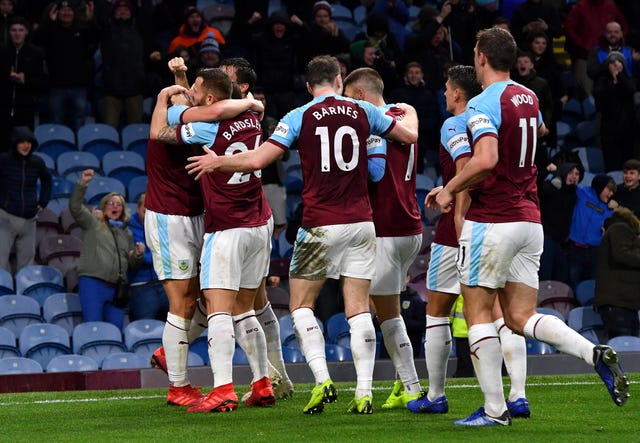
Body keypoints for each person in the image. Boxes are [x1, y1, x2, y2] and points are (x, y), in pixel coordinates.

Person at [186, 55, 418, 415]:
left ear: (309, 87)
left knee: (300, 305)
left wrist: (217, 162)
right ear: (340, 81)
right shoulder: (364, 111)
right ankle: (364, 392)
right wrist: (401, 113)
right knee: (358, 310)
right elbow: (407, 136)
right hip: (362, 222)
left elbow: (257, 160)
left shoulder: (298, 116)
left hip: (319, 224)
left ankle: (323, 380)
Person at [427, 27, 629, 426]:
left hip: (494, 220)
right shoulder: (529, 96)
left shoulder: (482, 102)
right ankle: (593, 353)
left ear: (482, 57)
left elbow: (484, 159)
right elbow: (536, 132)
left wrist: (449, 188)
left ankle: (494, 410)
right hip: (529, 219)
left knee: (480, 313)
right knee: (520, 317)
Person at [150, 68, 275, 413]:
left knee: (216, 308)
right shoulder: (252, 114)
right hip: (257, 220)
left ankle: (221, 388)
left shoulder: (206, 124)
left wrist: (165, 99)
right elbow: (229, 106)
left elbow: (161, 130)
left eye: (192, 90)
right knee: (242, 307)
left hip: (225, 225)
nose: (186, 94)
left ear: (208, 99)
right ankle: (261, 382)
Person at [412, 64, 530, 419]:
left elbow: (466, 167)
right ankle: (519, 395)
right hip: (504, 220)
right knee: (501, 312)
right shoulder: (493, 117)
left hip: (461, 230)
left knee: (437, 311)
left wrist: (461, 220)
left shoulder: (455, 123)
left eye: (447, 89)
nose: (445, 95)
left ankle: (435, 394)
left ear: (458, 93)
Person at [342, 67, 425, 411]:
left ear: (360, 95)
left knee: (385, 313)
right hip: (411, 228)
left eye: (348, 98)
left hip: (387, 230)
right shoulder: (403, 116)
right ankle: (401, 383)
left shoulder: (373, 125)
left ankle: (412, 387)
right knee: (381, 308)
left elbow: (374, 173)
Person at [70, 169, 144, 330]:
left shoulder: (127, 233)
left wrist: (137, 255)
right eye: (111, 203)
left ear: (123, 210)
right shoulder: (93, 224)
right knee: (93, 328)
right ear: (104, 207)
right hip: (93, 283)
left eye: (119, 204)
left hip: (117, 288)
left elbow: (130, 263)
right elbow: (75, 207)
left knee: (115, 331)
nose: (115, 206)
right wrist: (83, 183)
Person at [32, 0, 98, 130]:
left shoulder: (81, 30)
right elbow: (36, 41)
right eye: (63, 10)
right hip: (56, 87)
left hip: (79, 86)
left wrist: (90, 20)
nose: (66, 13)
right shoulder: (51, 31)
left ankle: (78, 150)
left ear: (74, 13)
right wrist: (49, 22)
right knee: (56, 121)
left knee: (79, 122)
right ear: (57, 13)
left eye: (69, 10)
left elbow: (95, 39)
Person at [0, 126, 51, 273]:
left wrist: (43, 201)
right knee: (0, 263)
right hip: (5, 218)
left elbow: (47, 180)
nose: (25, 145)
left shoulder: (37, 162)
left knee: (27, 266)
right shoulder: (3, 160)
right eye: (21, 142)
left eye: (28, 142)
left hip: (29, 220)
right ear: (15, 143)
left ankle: (23, 295)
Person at [0, 16, 48, 151]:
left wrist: (25, 80)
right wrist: (7, 77)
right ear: (9, 32)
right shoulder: (2, 52)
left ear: (26, 32)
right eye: (14, 30)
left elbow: (43, 81)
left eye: (21, 30)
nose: (17, 33)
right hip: (3, 109)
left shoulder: (36, 53)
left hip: (25, 110)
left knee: (23, 151)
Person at [594, 207, 640, 339]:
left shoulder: (618, 230)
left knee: (631, 352)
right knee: (624, 349)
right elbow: (622, 255)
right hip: (618, 303)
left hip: (624, 303)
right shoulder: (620, 228)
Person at [567, 174, 617, 291]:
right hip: (574, 249)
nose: (611, 194)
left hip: (594, 252)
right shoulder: (583, 193)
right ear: (600, 186)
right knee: (573, 284)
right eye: (609, 189)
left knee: (590, 286)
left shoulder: (609, 208)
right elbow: (567, 184)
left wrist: (616, 208)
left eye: (613, 191)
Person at [127, 192, 169, 322]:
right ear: (138, 208)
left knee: (172, 330)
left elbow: (168, 253)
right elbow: (132, 257)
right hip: (140, 286)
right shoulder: (128, 229)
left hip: (163, 284)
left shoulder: (162, 227)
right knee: (145, 329)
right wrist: (157, 258)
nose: (149, 217)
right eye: (145, 212)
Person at [538, 162, 582, 284]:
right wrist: (547, 172)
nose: (574, 176)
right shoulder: (550, 187)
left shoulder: (575, 194)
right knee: (545, 276)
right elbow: (535, 186)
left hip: (563, 243)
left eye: (577, 174)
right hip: (547, 238)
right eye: (570, 172)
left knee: (562, 279)